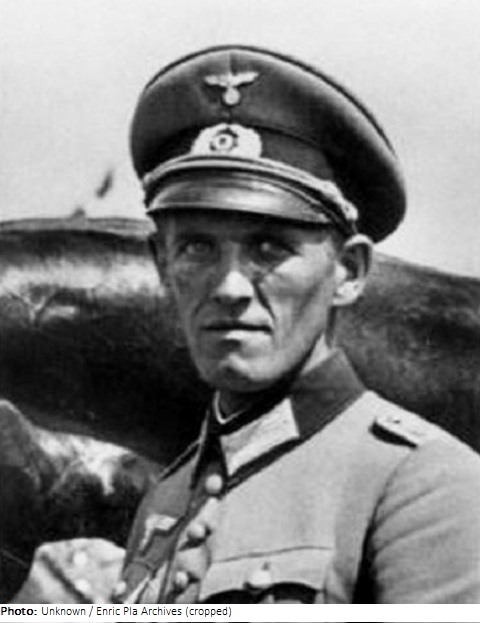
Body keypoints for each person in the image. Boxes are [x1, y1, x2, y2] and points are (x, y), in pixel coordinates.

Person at [116, 45, 480, 604]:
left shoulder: (423, 483)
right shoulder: (167, 496)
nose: (230, 287)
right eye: (196, 248)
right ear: (161, 266)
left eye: (269, 248)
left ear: (349, 272)